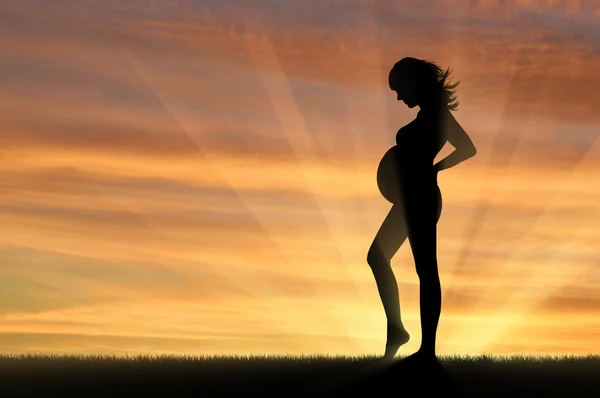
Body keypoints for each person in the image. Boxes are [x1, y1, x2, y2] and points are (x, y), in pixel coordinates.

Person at [368, 57, 477, 361]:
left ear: (413, 82)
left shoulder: (437, 115)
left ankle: (427, 350)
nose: (399, 97)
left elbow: (467, 148)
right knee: (377, 256)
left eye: (400, 89)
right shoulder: (428, 114)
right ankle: (397, 330)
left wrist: (434, 170)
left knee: (426, 270)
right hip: (409, 198)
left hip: (421, 198)